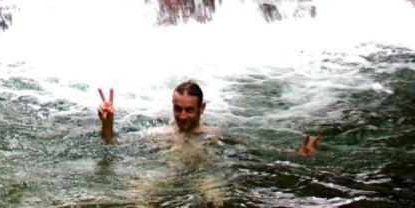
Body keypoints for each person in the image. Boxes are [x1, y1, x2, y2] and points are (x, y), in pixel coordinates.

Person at [97, 81, 322, 155]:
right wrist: (108, 125)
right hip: (166, 171)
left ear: (201, 109)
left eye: (188, 110)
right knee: (141, 193)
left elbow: (257, 150)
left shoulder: (214, 134)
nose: (182, 116)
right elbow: (114, 146)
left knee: (215, 196)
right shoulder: (160, 134)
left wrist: (295, 155)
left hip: (204, 173)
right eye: (177, 109)